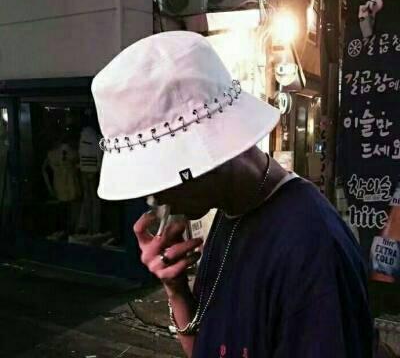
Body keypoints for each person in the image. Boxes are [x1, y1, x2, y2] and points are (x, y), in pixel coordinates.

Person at [92, 31, 374, 357]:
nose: (153, 197)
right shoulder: (232, 212)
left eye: (158, 175)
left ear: (207, 151)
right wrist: (176, 288)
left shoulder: (310, 246)